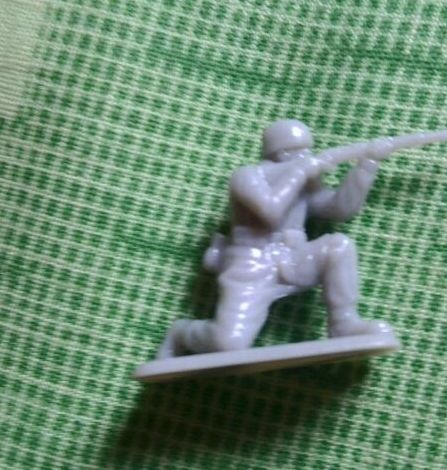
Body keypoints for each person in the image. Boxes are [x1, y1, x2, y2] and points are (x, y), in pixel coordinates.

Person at [158, 119, 392, 359]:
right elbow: (271, 211)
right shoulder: (247, 176)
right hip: (251, 263)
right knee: (227, 343)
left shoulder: (303, 180)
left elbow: (339, 209)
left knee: (338, 246)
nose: (307, 156)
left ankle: (344, 324)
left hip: (292, 257)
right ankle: (183, 332)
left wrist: (367, 166)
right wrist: (299, 172)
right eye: (300, 151)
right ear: (281, 152)